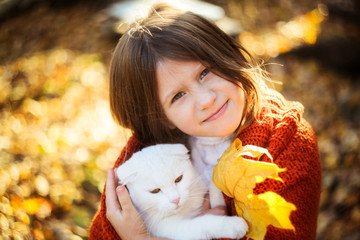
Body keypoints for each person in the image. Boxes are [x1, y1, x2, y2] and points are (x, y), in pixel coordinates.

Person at [89, 4, 321, 240]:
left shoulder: (288, 141)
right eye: (178, 96)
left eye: (205, 72)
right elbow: (107, 229)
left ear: (225, 56)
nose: (207, 100)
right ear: (162, 118)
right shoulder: (149, 156)